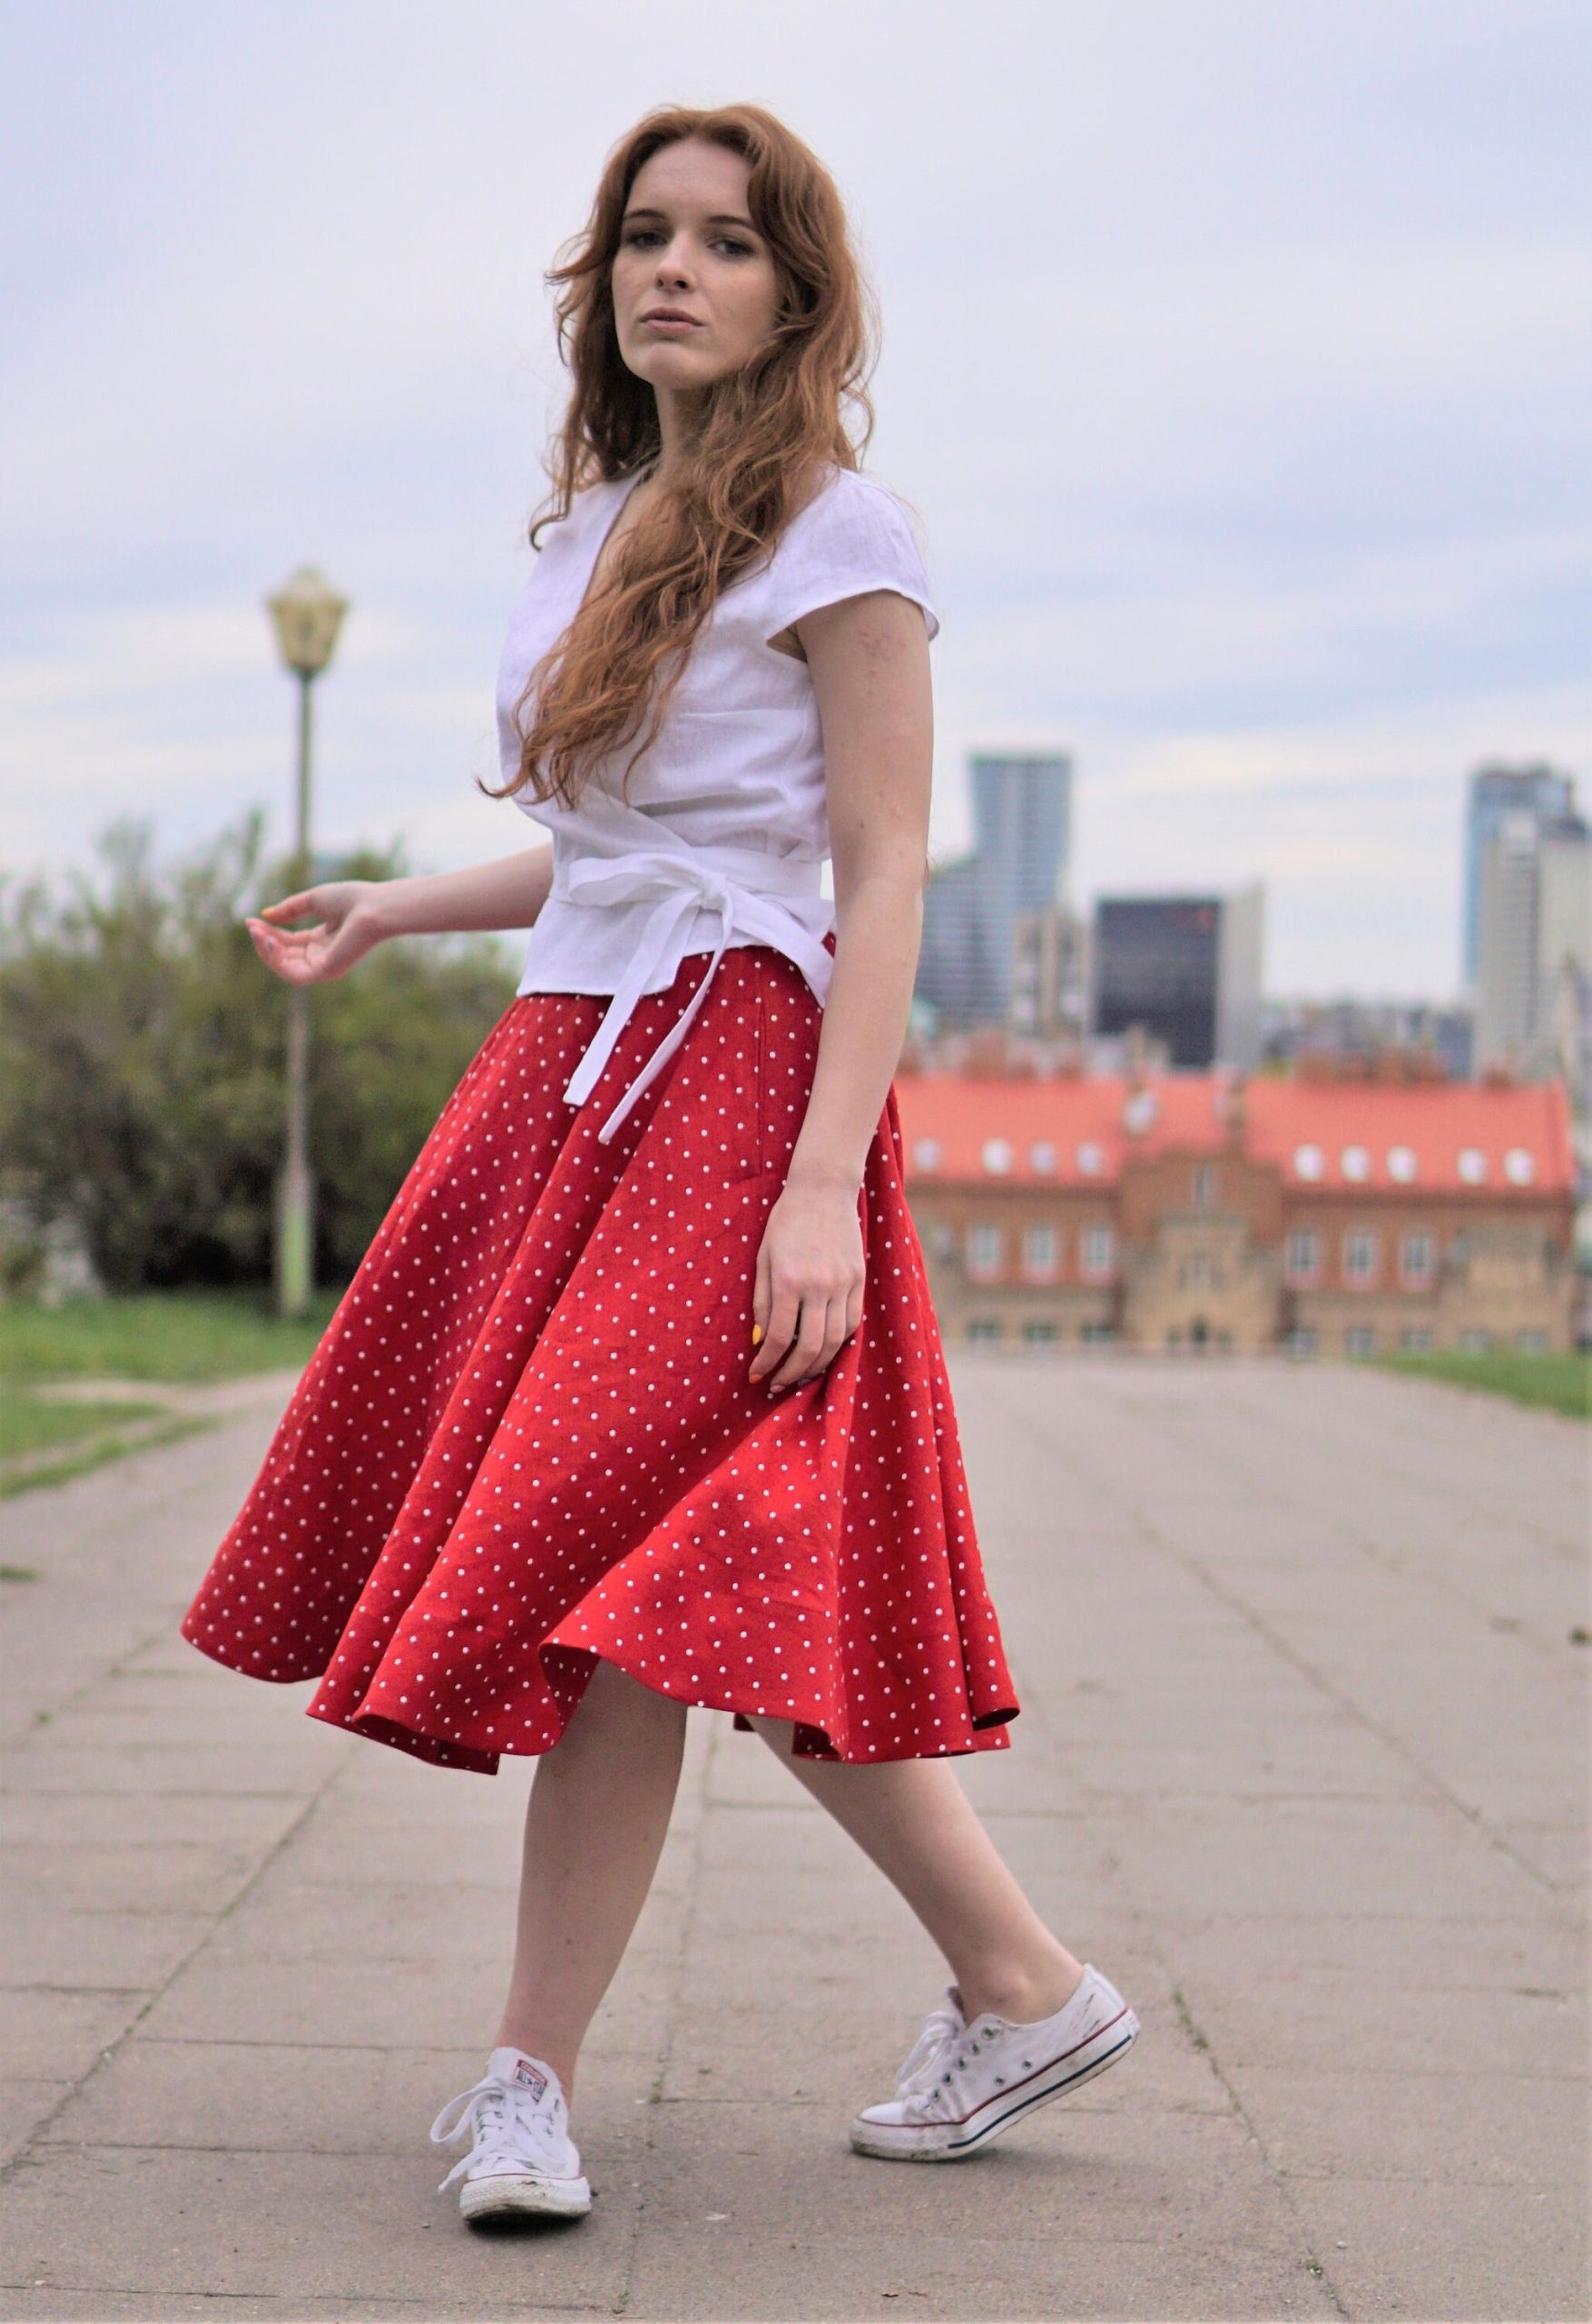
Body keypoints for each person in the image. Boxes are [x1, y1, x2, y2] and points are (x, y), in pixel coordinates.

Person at [181, 101, 1140, 2228]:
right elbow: (617, 849)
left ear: (799, 287)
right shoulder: (589, 527)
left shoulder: (845, 531)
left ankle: (536, 2075)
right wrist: (397, 902)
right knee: (658, 1578)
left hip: (738, 1079)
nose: (670, 268)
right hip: (569, 1068)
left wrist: (820, 1184)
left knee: (634, 1564)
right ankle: (1013, 1975)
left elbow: (875, 871)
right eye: (641, 235)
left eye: (722, 238)